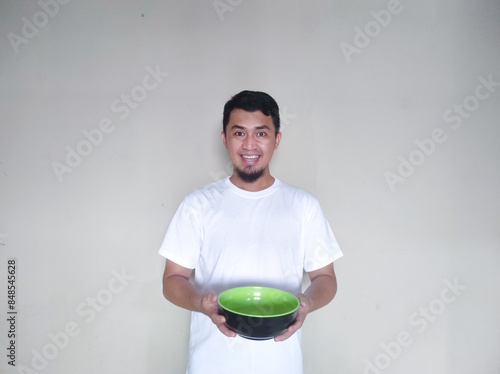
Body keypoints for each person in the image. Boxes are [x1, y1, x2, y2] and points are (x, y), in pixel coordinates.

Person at [159, 90, 343, 374]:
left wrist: (307, 303)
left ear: (276, 139)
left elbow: (325, 278)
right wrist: (201, 302)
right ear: (225, 138)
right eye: (239, 133)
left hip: (281, 363)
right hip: (211, 363)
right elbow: (172, 279)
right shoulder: (197, 204)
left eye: (261, 133)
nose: (249, 145)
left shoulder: (303, 206)